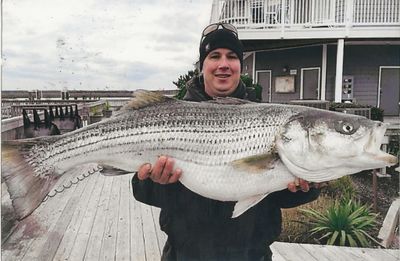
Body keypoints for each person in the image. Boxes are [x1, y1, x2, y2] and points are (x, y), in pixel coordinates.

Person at [132, 23, 321, 261]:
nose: (223, 64)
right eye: (214, 56)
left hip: (252, 255)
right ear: (202, 66)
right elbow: (140, 191)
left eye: (232, 56)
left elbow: (278, 196)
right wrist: (158, 182)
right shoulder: (170, 117)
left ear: (240, 66)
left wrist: (306, 186)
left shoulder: (267, 119)